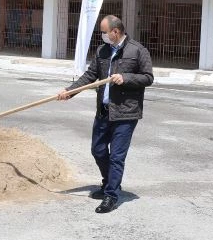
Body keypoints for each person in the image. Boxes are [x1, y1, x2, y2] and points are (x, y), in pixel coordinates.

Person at [57, 15, 154, 214]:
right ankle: (110, 182)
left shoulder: (137, 50)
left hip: (125, 113)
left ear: (115, 32)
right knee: (98, 150)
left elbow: (148, 77)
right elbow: (90, 76)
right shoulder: (102, 51)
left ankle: (111, 194)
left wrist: (125, 77)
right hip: (104, 110)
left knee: (117, 156)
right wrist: (70, 91)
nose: (102, 36)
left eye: (104, 32)